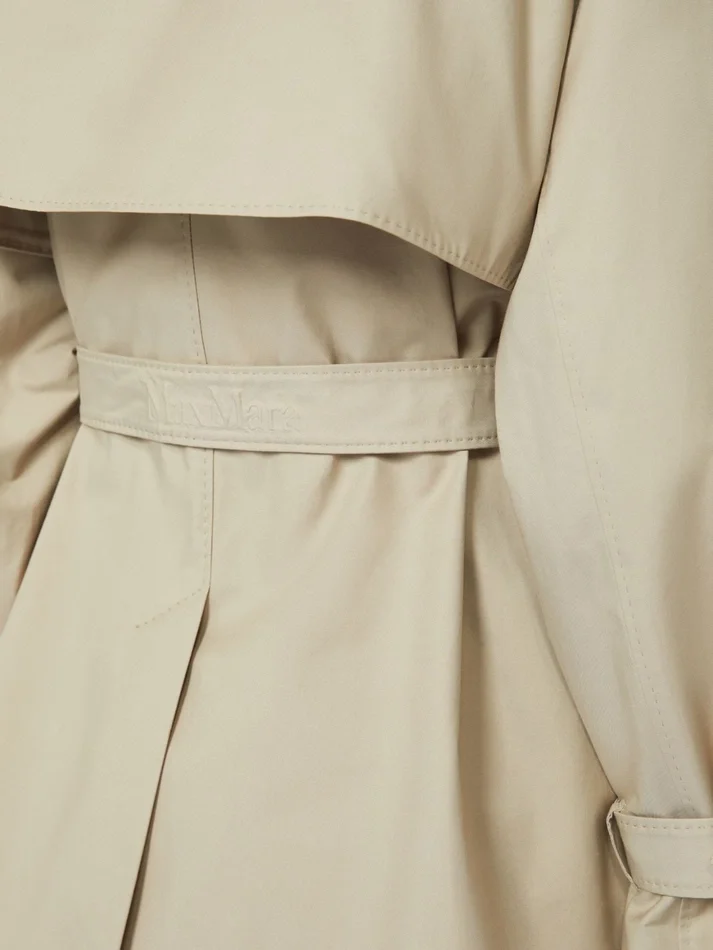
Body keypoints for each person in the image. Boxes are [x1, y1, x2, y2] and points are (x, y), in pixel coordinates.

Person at [0, 2, 711, 947]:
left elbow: (22, 348)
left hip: (69, 681)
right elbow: (617, 397)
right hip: (438, 663)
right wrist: (684, 848)